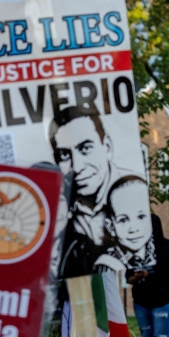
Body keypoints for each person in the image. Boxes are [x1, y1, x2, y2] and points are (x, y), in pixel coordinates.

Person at [49, 105, 130, 278]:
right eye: (64, 155)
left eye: (85, 148)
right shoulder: (57, 213)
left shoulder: (133, 197)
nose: (77, 167)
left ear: (107, 147)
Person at [97, 176, 155, 272]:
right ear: (111, 227)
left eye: (141, 217)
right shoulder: (108, 265)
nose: (134, 228)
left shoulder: (156, 253)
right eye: (123, 220)